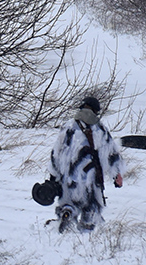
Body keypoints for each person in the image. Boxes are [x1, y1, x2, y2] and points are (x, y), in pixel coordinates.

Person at [49, 96, 125, 233]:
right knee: (91, 208)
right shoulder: (100, 130)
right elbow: (111, 154)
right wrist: (117, 175)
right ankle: (86, 234)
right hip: (90, 180)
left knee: (68, 204)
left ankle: (67, 215)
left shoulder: (68, 127)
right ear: (96, 111)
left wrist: (53, 175)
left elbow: (56, 153)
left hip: (69, 179)